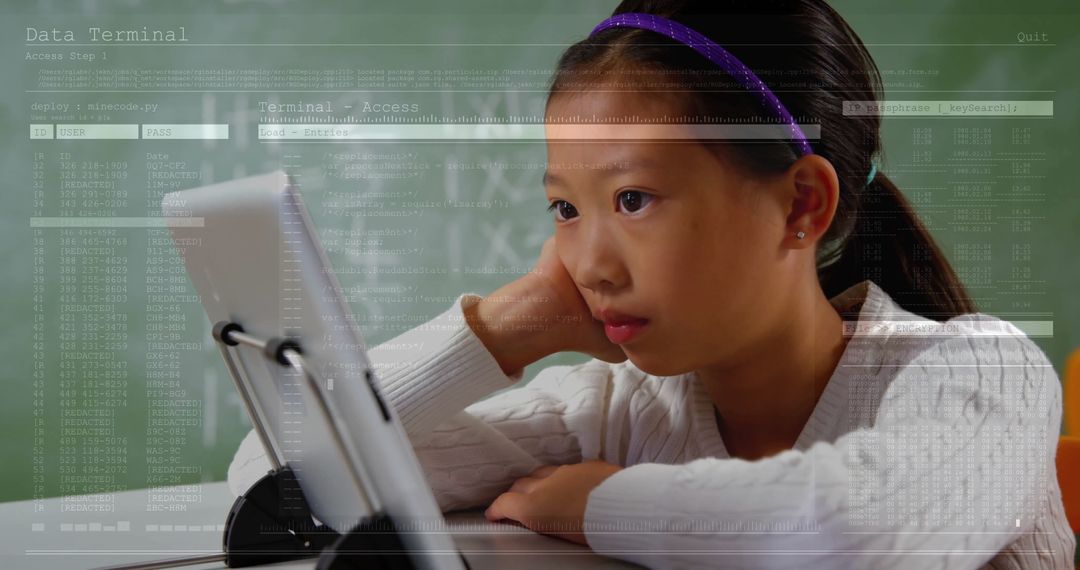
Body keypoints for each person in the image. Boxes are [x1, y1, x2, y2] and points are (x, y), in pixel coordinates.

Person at [228, 1, 1075, 567]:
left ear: (801, 205)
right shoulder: (616, 407)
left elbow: (854, 527)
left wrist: (600, 504)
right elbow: (281, 473)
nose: (589, 263)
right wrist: (507, 325)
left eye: (633, 199)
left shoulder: (979, 369)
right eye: (565, 207)